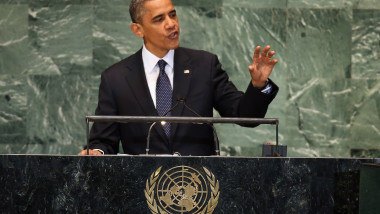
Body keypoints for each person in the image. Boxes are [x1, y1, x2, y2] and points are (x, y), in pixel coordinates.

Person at [78, 0, 279, 156]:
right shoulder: (116, 78)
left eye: (172, 15)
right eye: (159, 19)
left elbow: (244, 116)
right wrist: (96, 152)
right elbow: (102, 140)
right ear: (138, 30)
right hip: (142, 192)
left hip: (201, 190)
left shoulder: (204, 66)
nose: (171, 24)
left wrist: (258, 84)